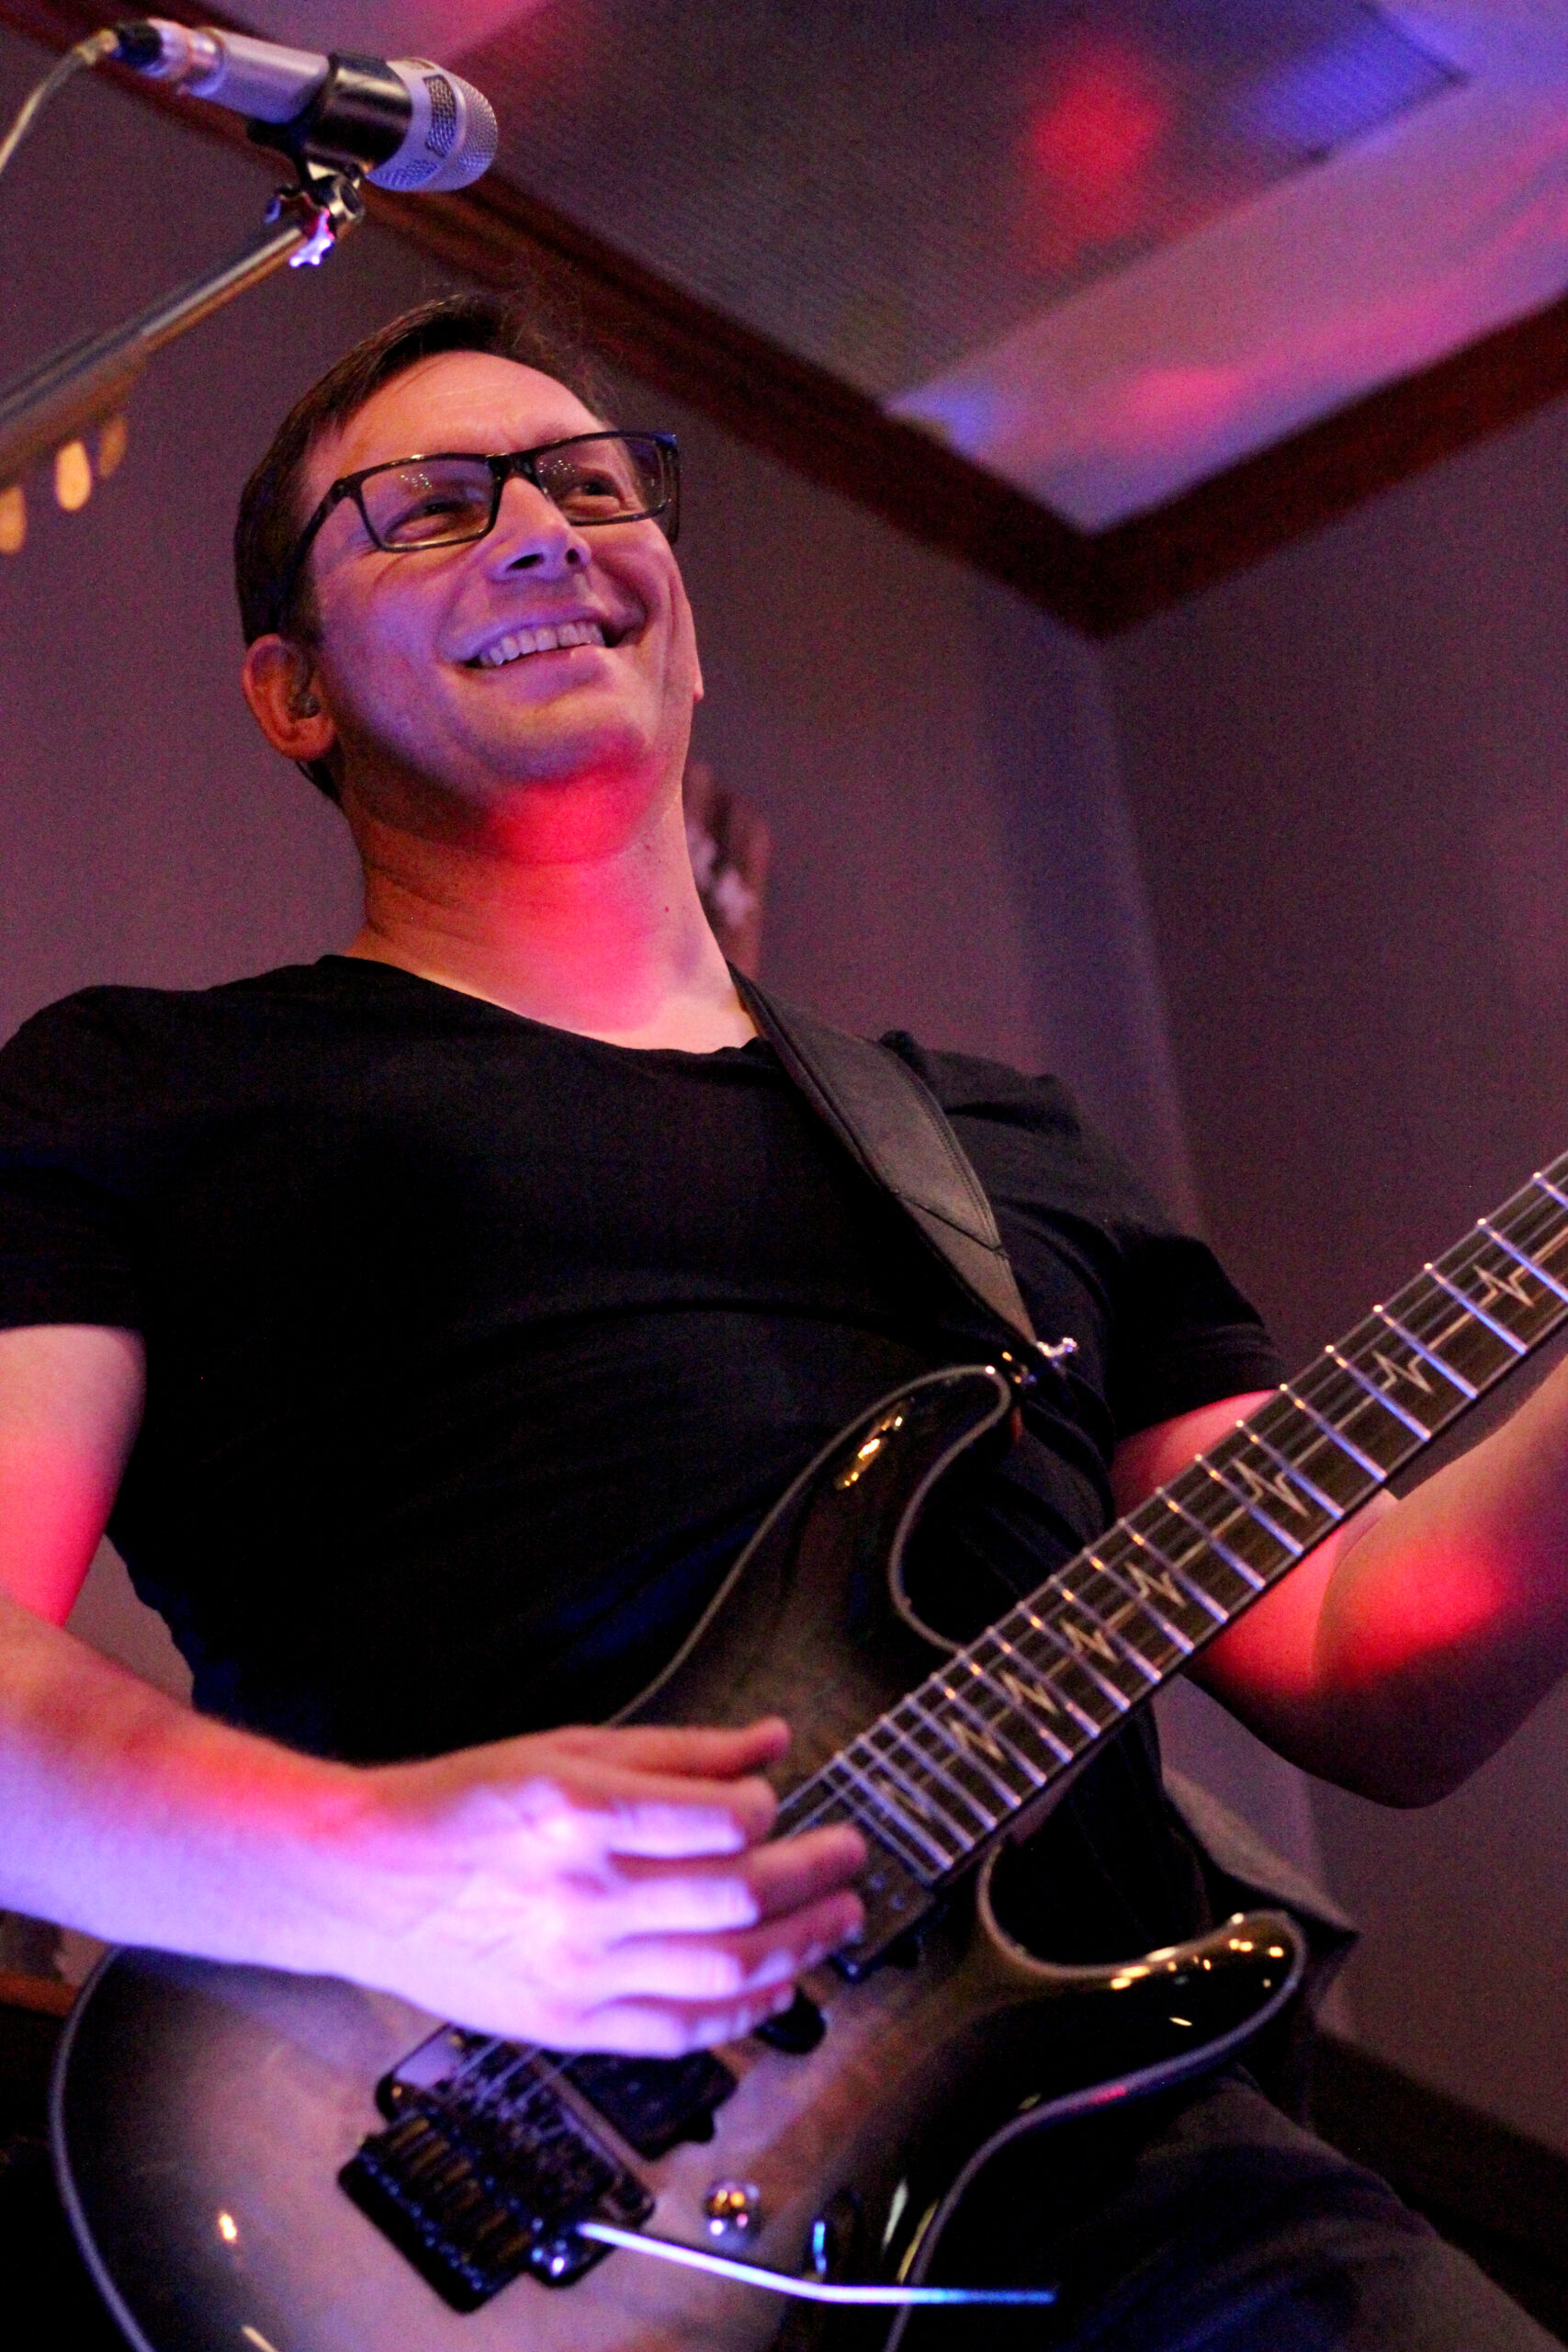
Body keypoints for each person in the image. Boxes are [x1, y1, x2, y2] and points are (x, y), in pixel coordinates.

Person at [1, 292, 1565, 2348]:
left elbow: (1361, 1652)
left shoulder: (1001, 1149)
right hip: (513, 2230)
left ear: (684, 619)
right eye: (434, 509)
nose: (545, 533)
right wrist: (387, 1870)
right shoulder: (150, 1092)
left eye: (590, 487)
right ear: (291, 693)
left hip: (1157, 2214)